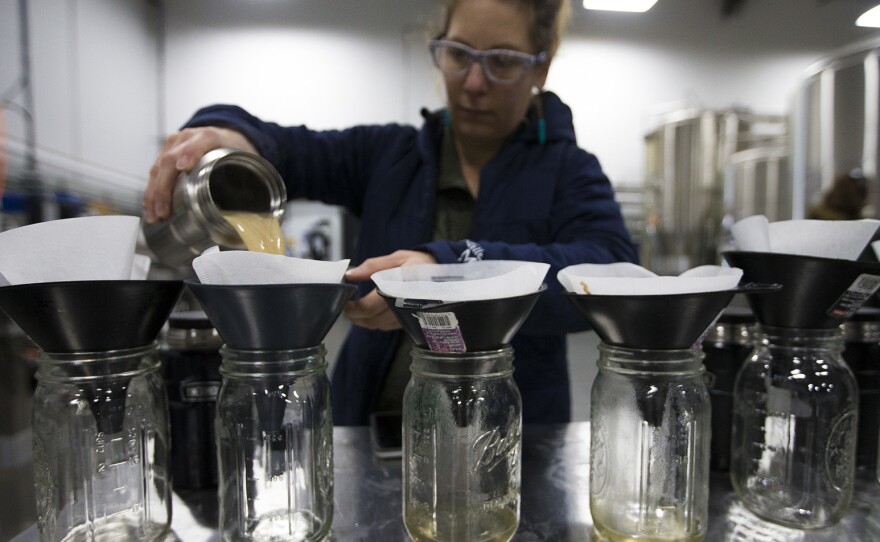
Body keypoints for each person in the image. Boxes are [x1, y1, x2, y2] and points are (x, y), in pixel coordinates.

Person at [143, 0, 639, 425]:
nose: (472, 83)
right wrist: (229, 135)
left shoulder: (569, 172)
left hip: (510, 441)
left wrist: (446, 271)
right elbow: (290, 148)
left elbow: (606, 267)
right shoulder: (390, 156)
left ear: (541, 67)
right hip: (372, 431)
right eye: (458, 54)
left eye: (503, 61)